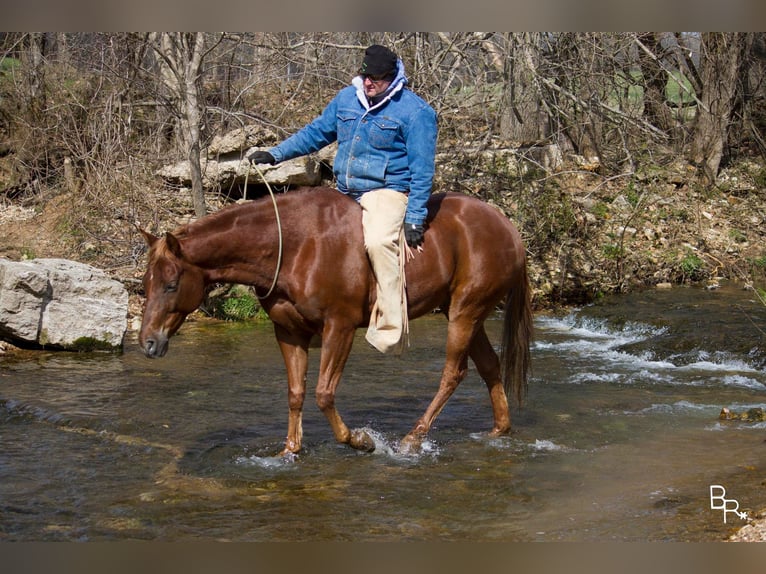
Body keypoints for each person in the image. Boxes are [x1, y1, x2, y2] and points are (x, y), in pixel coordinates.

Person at [248, 44, 438, 355]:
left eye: (375, 78)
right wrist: (275, 154)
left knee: (377, 241)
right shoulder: (347, 99)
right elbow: (316, 133)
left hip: (387, 190)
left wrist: (415, 215)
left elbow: (422, 170)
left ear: (393, 78)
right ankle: (320, 312)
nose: (368, 83)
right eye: (365, 76)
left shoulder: (415, 112)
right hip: (345, 190)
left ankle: (390, 326)